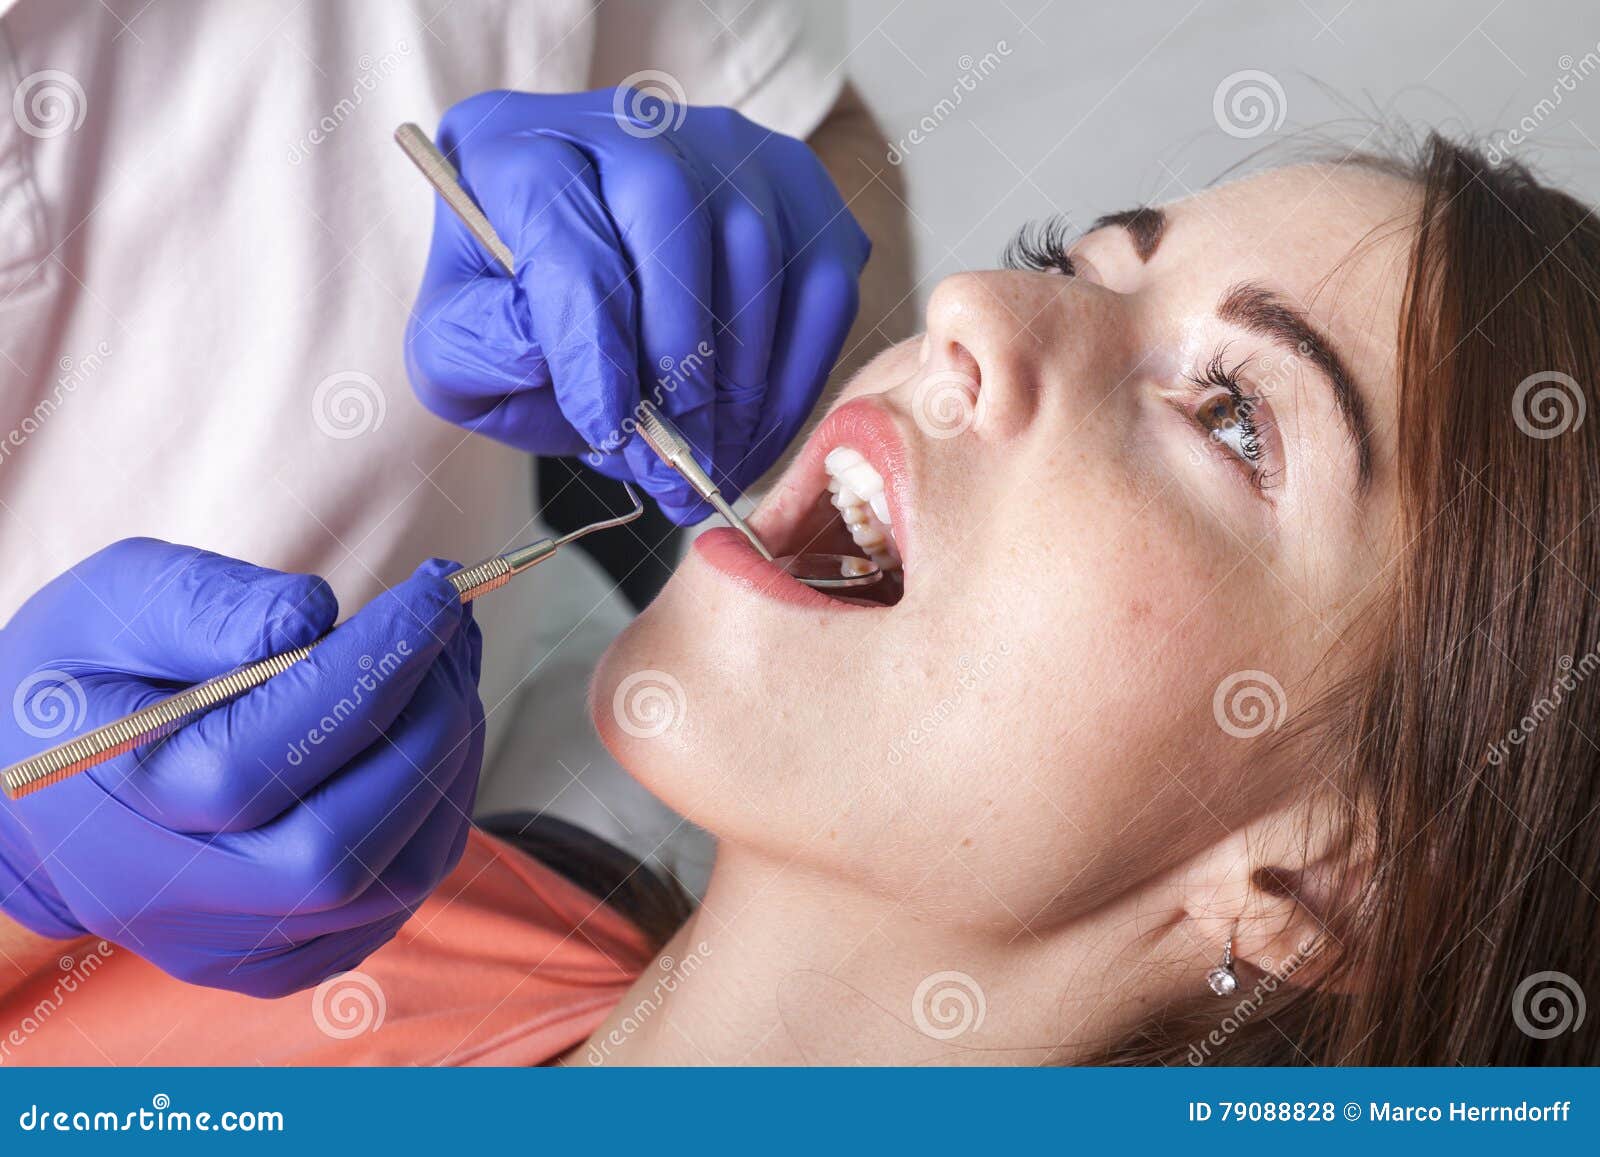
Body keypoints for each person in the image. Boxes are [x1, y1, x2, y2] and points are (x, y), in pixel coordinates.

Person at [4, 131, 1595, 1066]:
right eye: (1084, 259)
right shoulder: (398, 910)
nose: (975, 298)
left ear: (1326, 881)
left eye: (1234, 414)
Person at [0, 1, 911, 998]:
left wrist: (747, 266)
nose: (973, 306)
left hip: (531, 799)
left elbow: (808, 124)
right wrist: (19, 867)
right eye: (1050, 261)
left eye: (1065, 256)